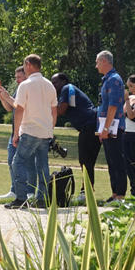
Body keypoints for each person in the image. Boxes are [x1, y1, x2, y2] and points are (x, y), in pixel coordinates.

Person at [0, 54, 58, 209]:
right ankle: (41, 199)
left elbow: (19, 110)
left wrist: (16, 133)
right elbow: (54, 111)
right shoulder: (49, 85)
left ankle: (20, 198)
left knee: (17, 162)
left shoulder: (25, 86)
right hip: (45, 132)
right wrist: (50, 129)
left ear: (28, 65)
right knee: (42, 165)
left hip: (30, 130)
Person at [51, 73, 102, 203]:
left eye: (55, 82)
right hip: (91, 126)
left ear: (63, 81)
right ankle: (87, 192)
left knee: (85, 161)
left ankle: (86, 194)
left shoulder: (67, 88)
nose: (53, 85)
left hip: (89, 126)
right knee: (87, 161)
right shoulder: (67, 89)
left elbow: (61, 109)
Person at [0, 66, 36, 200]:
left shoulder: (28, 89)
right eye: (16, 78)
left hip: (25, 133)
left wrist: (7, 96)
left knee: (29, 163)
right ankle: (14, 189)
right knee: (11, 161)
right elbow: (9, 108)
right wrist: (3, 97)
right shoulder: (19, 89)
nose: (17, 80)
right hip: (14, 133)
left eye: (19, 77)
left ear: (26, 76)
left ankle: (30, 191)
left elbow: (19, 106)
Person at [95, 51, 127, 202]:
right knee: (110, 161)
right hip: (107, 127)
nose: (96, 66)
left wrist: (106, 129)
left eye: (97, 62)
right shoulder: (107, 79)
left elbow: (113, 106)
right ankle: (114, 193)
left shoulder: (114, 80)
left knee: (117, 160)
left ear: (103, 61)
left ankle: (120, 195)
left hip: (113, 127)